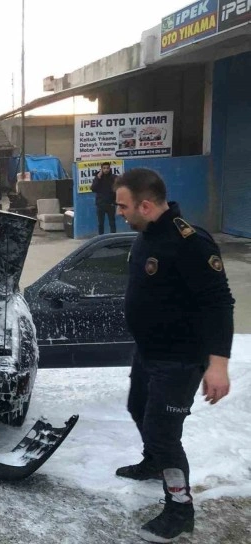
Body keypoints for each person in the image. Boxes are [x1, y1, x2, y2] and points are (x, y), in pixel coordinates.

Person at [113, 168, 234, 543]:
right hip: (150, 353)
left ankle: (179, 510)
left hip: (179, 360)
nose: (119, 212)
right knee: (138, 409)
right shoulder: (148, 234)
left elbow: (219, 304)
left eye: (123, 206)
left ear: (145, 205)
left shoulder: (190, 242)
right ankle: (154, 464)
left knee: (164, 435)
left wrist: (218, 365)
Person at [91, 162, 118, 234]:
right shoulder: (98, 177)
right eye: (104, 168)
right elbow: (93, 189)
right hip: (100, 204)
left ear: (110, 169)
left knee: (112, 223)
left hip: (110, 204)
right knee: (100, 223)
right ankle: (101, 237)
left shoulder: (113, 178)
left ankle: (113, 237)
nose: (106, 170)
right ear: (101, 169)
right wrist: (98, 178)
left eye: (107, 168)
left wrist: (114, 202)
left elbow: (117, 189)